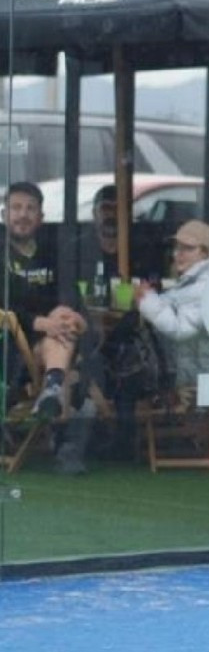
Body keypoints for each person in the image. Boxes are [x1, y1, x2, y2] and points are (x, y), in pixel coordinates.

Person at [1, 182, 94, 466]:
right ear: (4, 215)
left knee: (65, 328)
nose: (23, 215)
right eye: (16, 208)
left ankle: (53, 388)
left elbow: (71, 297)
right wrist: (39, 322)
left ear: (41, 217)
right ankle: (65, 445)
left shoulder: (52, 252)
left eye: (30, 209)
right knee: (71, 373)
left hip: (47, 346)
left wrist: (76, 317)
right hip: (9, 347)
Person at [134, 219, 209, 386]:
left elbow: (180, 328)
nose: (177, 254)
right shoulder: (204, 278)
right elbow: (181, 299)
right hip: (202, 372)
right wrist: (152, 297)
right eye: (177, 247)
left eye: (188, 248)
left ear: (205, 253)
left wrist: (147, 301)